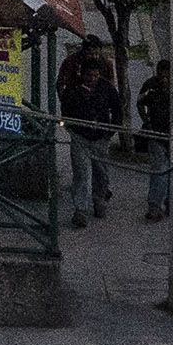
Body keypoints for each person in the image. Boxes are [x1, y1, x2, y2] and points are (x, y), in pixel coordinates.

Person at [58, 41, 118, 223]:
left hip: (101, 136)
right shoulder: (73, 90)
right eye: (89, 75)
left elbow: (117, 109)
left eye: (95, 75)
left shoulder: (107, 88)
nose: (92, 79)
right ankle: (81, 209)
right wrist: (70, 127)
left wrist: (111, 131)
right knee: (81, 173)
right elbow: (65, 107)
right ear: (82, 74)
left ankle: (99, 200)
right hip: (80, 135)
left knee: (101, 172)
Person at [137, 61, 173, 220]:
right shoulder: (150, 85)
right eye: (162, 75)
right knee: (159, 170)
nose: (164, 79)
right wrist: (146, 121)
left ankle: (169, 201)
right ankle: (154, 206)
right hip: (156, 133)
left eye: (167, 75)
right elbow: (140, 102)